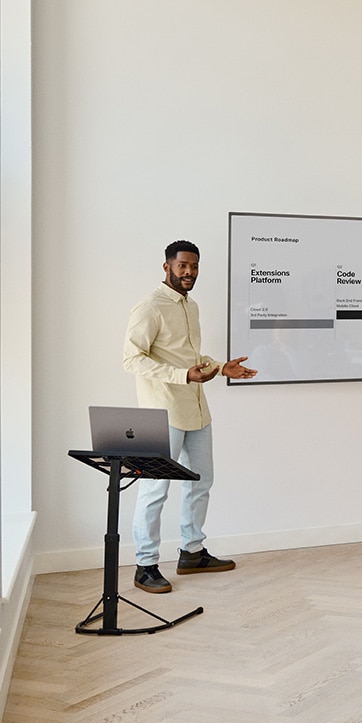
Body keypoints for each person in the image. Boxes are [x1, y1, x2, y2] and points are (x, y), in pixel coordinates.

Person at [123, 240, 257, 593]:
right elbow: (131, 359)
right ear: (166, 266)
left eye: (194, 266)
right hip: (163, 411)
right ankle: (145, 565)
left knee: (201, 482)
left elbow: (187, 356)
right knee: (155, 490)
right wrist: (183, 376)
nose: (189, 272)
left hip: (196, 409)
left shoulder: (190, 306)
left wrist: (219, 367)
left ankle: (192, 552)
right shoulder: (150, 306)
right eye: (182, 266)